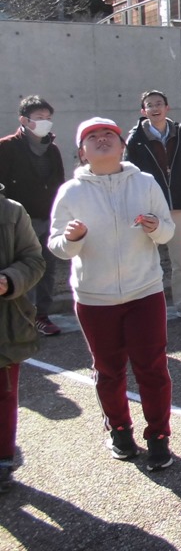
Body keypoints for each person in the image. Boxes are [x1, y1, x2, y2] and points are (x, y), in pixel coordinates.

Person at [48, 117, 177, 471]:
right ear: (82, 152)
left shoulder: (145, 182)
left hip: (145, 292)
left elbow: (168, 231)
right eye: (93, 137)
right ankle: (120, 432)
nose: (102, 140)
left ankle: (158, 437)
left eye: (109, 135)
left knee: (152, 368)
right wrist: (72, 239)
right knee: (108, 371)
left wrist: (156, 227)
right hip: (94, 298)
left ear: (122, 146)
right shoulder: (71, 192)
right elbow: (57, 246)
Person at [124, 90, 181, 321]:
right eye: (150, 105)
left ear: (167, 107)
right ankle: (146, 308)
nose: (155, 108)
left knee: (180, 262)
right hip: (148, 209)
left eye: (159, 104)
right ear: (143, 111)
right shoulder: (135, 139)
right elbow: (128, 175)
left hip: (177, 208)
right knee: (146, 261)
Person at [0, 96, 66, 336]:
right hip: (17, 222)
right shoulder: (6, 147)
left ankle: (41, 316)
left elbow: (60, 184)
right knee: (22, 269)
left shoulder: (53, 150)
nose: (45, 122)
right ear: (24, 120)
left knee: (47, 268)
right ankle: (21, 317)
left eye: (48, 118)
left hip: (48, 218)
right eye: (39, 118)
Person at [0, 182, 45, 494]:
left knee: (4, 397)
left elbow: (34, 260)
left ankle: (3, 462)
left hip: (6, 326)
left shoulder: (11, 211)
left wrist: (9, 280)